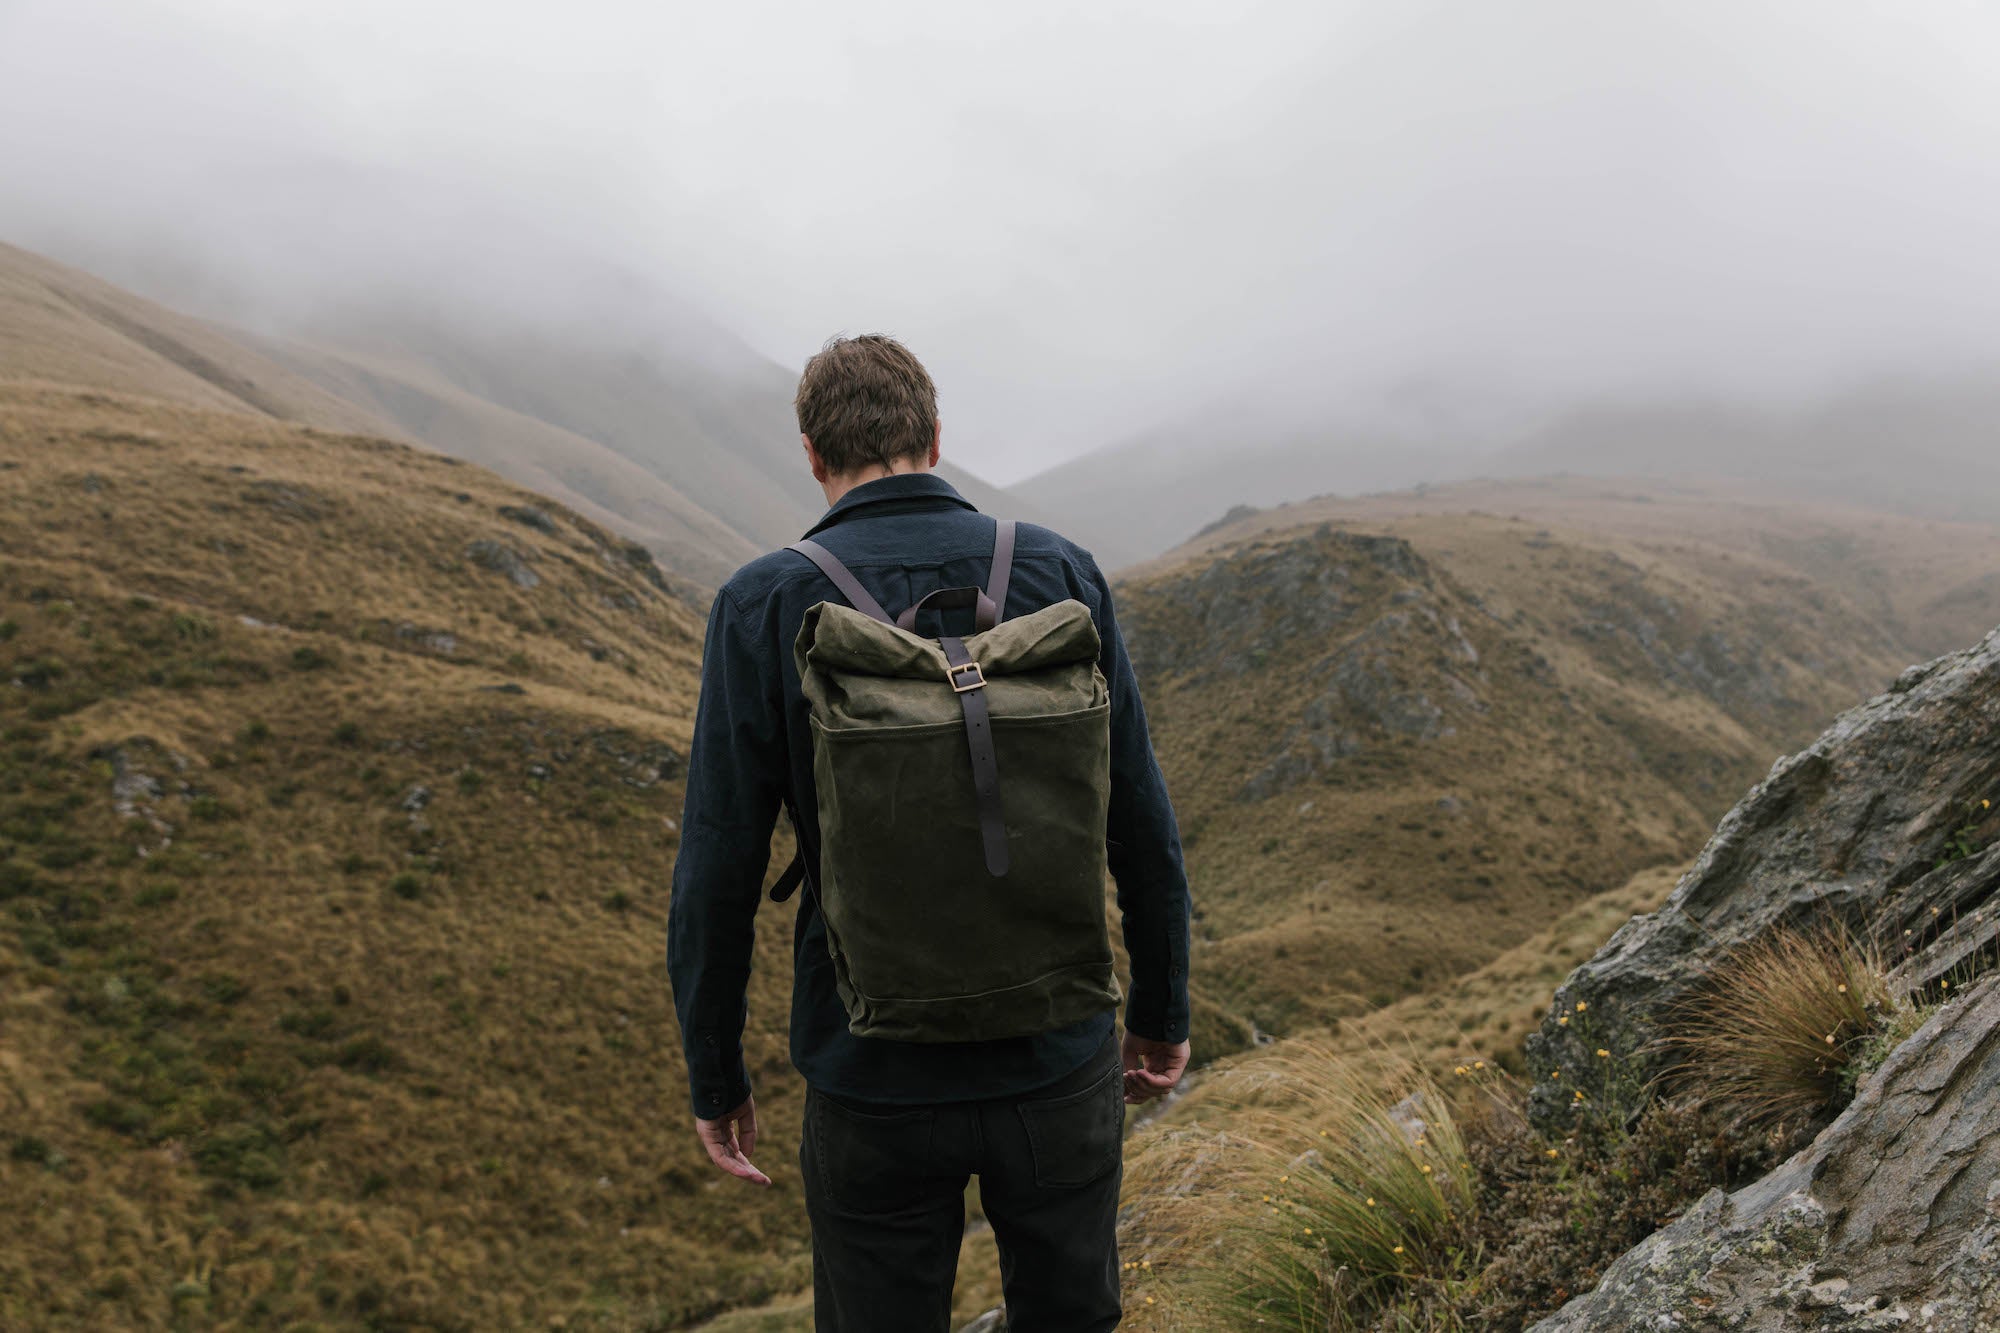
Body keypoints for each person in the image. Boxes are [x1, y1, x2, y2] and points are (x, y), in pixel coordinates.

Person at [668, 334, 1193, 1332]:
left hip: (869, 1074)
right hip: (1053, 1058)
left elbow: (716, 870)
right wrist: (1159, 1012)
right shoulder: (1058, 569)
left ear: (813, 456)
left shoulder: (761, 602)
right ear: (936, 436)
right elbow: (1140, 821)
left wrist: (716, 1073)